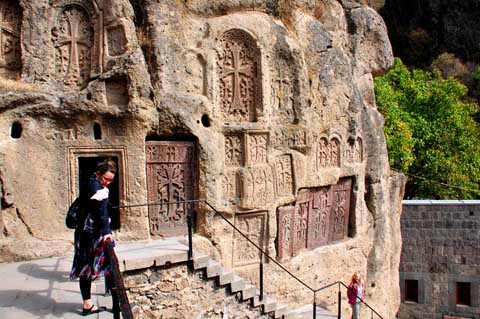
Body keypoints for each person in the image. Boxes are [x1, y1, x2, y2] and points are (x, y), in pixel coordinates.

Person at [69, 159, 119, 317]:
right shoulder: (99, 190)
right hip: (93, 236)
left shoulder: (90, 182)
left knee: (85, 268)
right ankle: (117, 305)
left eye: (111, 180)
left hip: (83, 233)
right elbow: (102, 213)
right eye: (106, 178)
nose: (108, 182)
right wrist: (107, 232)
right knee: (110, 267)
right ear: (98, 174)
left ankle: (88, 304)